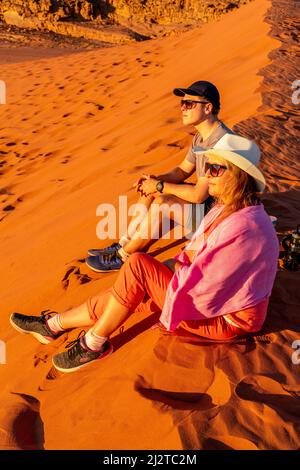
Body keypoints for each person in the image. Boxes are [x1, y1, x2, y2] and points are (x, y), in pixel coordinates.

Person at [10, 134, 279, 374]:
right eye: (206, 167)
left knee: (137, 266)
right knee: (129, 291)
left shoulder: (246, 227)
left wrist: (163, 277)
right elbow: (197, 259)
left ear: (239, 176)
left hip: (226, 321)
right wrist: (165, 275)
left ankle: (93, 344)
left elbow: (206, 290)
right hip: (213, 303)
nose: (206, 176)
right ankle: (54, 325)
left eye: (215, 169)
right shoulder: (228, 210)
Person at [86, 80, 233, 272]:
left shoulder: (219, 143)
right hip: (206, 207)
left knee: (163, 202)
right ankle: (124, 243)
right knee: (151, 190)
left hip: (219, 219)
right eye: (182, 103)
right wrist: (155, 180)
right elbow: (182, 171)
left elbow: (199, 195)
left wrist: (160, 186)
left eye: (189, 104)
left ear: (208, 108)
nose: (183, 108)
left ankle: (124, 256)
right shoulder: (201, 136)